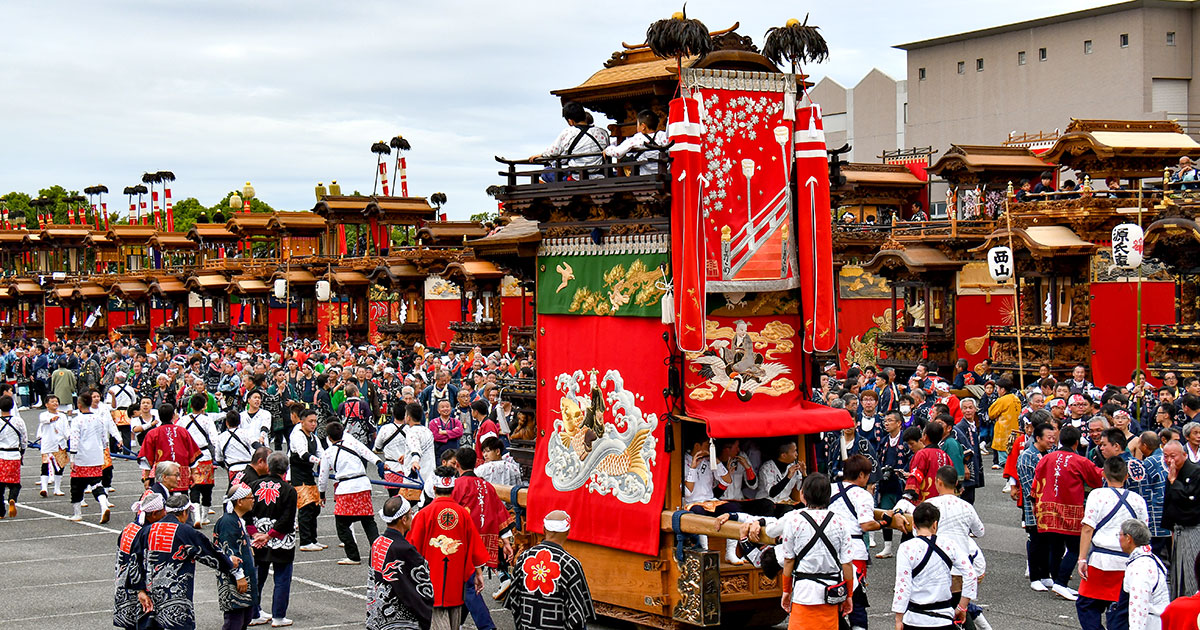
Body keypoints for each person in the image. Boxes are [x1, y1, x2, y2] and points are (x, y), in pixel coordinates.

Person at [124, 493, 243, 630]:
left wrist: (140, 590)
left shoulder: (146, 531)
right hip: (176, 598)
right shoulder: (184, 531)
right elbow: (208, 551)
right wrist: (229, 562)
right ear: (185, 512)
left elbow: (134, 561)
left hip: (150, 596)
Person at [408, 466, 489, 630]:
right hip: (456, 583)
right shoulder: (463, 514)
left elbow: (411, 549)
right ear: (453, 489)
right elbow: (474, 546)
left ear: (434, 488)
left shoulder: (423, 514)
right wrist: (478, 573)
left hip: (430, 583)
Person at [1076, 457, 1150, 630]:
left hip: (1100, 560)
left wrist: (1081, 558)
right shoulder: (1138, 500)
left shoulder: (1097, 495)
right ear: (1126, 477)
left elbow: (1088, 528)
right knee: (1121, 608)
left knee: (1087, 605)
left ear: (1103, 474)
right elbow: (1144, 533)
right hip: (1128, 561)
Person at [1033, 424, 1104, 601]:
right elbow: (1097, 479)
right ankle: (1061, 582)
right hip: (1070, 509)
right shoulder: (1080, 461)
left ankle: (1058, 581)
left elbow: (1037, 481)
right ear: (1076, 442)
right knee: (1074, 548)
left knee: (1056, 547)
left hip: (1047, 508)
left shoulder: (1047, 458)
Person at [775, 473, 854, 630]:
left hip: (803, 592)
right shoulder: (839, 521)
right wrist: (849, 594)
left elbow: (789, 559)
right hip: (830, 592)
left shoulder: (794, 520)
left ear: (803, 494)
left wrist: (786, 590)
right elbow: (847, 563)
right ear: (828, 496)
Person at [891, 502, 977, 630]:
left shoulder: (906, 548)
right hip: (944, 617)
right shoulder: (949, 545)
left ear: (914, 524)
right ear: (935, 524)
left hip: (915, 618)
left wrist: (899, 618)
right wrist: (962, 607)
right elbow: (971, 575)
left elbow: (903, 585)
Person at [505, 510, 595, 630]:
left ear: (543, 529)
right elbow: (577, 613)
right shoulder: (570, 564)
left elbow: (514, 599)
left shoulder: (524, 558)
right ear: (567, 532)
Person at [318, 420, 384, 565]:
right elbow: (367, 452)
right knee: (368, 521)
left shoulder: (328, 453)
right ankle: (378, 554)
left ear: (329, 437)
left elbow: (322, 477)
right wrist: (379, 463)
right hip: (363, 485)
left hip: (345, 488)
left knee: (342, 524)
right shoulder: (352, 443)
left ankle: (353, 555)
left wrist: (321, 494)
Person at [827, 455, 879, 630]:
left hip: (828, 549)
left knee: (832, 594)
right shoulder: (862, 495)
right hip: (854, 551)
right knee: (856, 597)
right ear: (862, 475)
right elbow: (866, 523)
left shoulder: (829, 489)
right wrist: (883, 523)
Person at [367, 496, 435, 630]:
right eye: (410, 513)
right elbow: (418, 587)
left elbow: (372, 580)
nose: (412, 516)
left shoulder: (378, 542)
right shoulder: (404, 549)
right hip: (400, 620)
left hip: (379, 615)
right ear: (403, 519)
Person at [248, 452, 298, 627]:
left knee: (256, 578)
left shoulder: (253, 485)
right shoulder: (289, 490)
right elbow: (288, 518)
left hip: (257, 539)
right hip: (281, 539)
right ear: (286, 469)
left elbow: (247, 513)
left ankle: (254, 613)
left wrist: (256, 534)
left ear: (268, 467)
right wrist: (270, 535)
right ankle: (278, 616)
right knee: (282, 579)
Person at [114, 492, 165, 630]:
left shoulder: (130, 527)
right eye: (163, 511)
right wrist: (140, 589)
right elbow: (137, 562)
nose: (165, 514)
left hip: (123, 585)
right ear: (154, 514)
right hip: (138, 588)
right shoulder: (146, 532)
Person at [69, 388, 120, 522]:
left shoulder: (77, 420)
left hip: (81, 457)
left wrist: (72, 457)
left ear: (79, 405)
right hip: (97, 456)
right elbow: (104, 437)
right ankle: (103, 506)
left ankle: (77, 512)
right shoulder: (99, 419)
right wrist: (103, 448)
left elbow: (74, 439)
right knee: (96, 483)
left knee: (77, 485)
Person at [138, 403, 201, 508]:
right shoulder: (183, 431)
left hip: (163, 473)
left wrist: (147, 477)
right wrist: (194, 473)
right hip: (181, 471)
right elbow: (192, 454)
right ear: (173, 415)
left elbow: (146, 457)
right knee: (183, 501)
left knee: (163, 500)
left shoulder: (153, 433)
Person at [529, 101, 610, 182]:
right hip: (600, 175)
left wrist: (541, 155)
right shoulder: (602, 132)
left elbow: (553, 152)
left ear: (570, 121)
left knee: (546, 172)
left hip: (577, 177)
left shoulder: (568, 133)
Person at [215, 483, 258, 630]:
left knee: (244, 619)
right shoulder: (228, 522)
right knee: (234, 622)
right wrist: (239, 576)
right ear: (240, 501)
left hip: (244, 577)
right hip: (234, 580)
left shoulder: (238, 520)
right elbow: (229, 551)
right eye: (250, 497)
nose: (253, 500)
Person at [1163, 439, 1200, 598]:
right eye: (1166, 456)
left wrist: (1174, 482)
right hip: (1177, 530)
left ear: (1184, 455)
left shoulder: (1196, 472)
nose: (1169, 460)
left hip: (1192, 529)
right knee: (1177, 573)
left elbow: (1189, 502)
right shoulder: (1172, 473)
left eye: (1173, 456)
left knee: (1191, 573)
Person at [288, 408, 325, 552]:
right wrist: (319, 461)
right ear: (302, 421)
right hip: (298, 476)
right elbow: (303, 454)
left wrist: (327, 461)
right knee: (305, 507)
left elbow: (321, 451)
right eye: (311, 421)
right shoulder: (297, 435)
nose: (314, 424)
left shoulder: (313, 437)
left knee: (315, 508)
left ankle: (313, 539)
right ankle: (305, 541)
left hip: (309, 475)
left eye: (315, 421)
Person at [179, 393, 218, 527]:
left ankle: (195, 516)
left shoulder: (182, 420)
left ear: (190, 405)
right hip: (204, 454)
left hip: (188, 456)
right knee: (207, 487)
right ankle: (204, 516)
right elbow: (214, 439)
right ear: (204, 406)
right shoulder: (207, 420)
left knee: (193, 487)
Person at [876, 412, 911, 559]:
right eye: (885, 421)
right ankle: (888, 547)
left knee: (904, 513)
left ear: (899, 423)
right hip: (886, 483)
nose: (886, 423)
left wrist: (902, 472)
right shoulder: (884, 440)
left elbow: (911, 459)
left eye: (890, 421)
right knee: (885, 512)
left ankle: (907, 546)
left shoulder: (906, 441)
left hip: (901, 483)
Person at [905, 422, 953, 504]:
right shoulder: (945, 455)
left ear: (925, 437)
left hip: (925, 500)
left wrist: (909, 493)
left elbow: (916, 474)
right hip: (942, 499)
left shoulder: (922, 454)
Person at [37, 393, 69, 497]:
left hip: (60, 444)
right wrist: (51, 419)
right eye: (52, 402)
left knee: (60, 466)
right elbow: (43, 420)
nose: (55, 403)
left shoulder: (62, 416)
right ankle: (44, 488)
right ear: (46, 404)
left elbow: (66, 430)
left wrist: (70, 438)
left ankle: (57, 488)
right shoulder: (44, 415)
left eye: (56, 401)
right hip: (48, 444)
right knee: (45, 465)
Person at [954, 397, 985, 504]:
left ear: (975, 409)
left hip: (974, 463)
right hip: (967, 466)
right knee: (966, 498)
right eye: (965, 408)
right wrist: (965, 466)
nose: (968, 411)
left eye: (970, 408)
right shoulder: (960, 427)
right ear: (961, 410)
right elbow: (960, 449)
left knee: (971, 497)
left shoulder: (973, 424)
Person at [0, 394, 26, 517]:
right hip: (14, 454)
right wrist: (22, 451)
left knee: (0, 484)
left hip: (1, 454)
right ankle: (12, 498)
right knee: (15, 483)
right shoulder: (18, 421)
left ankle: (0, 511)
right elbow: (24, 438)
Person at [988, 378, 1021, 466]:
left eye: (997, 388)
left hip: (1004, 434)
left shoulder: (1002, 400)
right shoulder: (1016, 398)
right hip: (1015, 433)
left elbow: (991, 413)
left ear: (1003, 389)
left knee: (1005, 464)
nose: (997, 391)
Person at [216, 411, 256, 483]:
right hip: (248, 469)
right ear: (239, 422)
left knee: (234, 492)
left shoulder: (221, 437)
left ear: (226, 423)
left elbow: (218, 458)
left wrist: (226, 467)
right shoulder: (246, 433)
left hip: (233, 469)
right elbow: (255, 446)